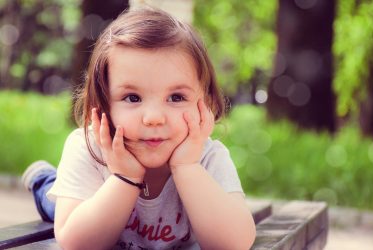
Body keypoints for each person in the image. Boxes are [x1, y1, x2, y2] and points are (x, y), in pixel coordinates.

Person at [22, 6, 256, 250]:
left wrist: (187, 168)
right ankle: (43, 181)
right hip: (89, 192)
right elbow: (76, 243)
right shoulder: (89, 149)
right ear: (102, 105)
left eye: (176, 97)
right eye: (132, 98)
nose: (154, 118)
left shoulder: (207, 158)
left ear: (205, 104)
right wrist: (125, 178)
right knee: (55, 201)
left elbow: (235, 243)